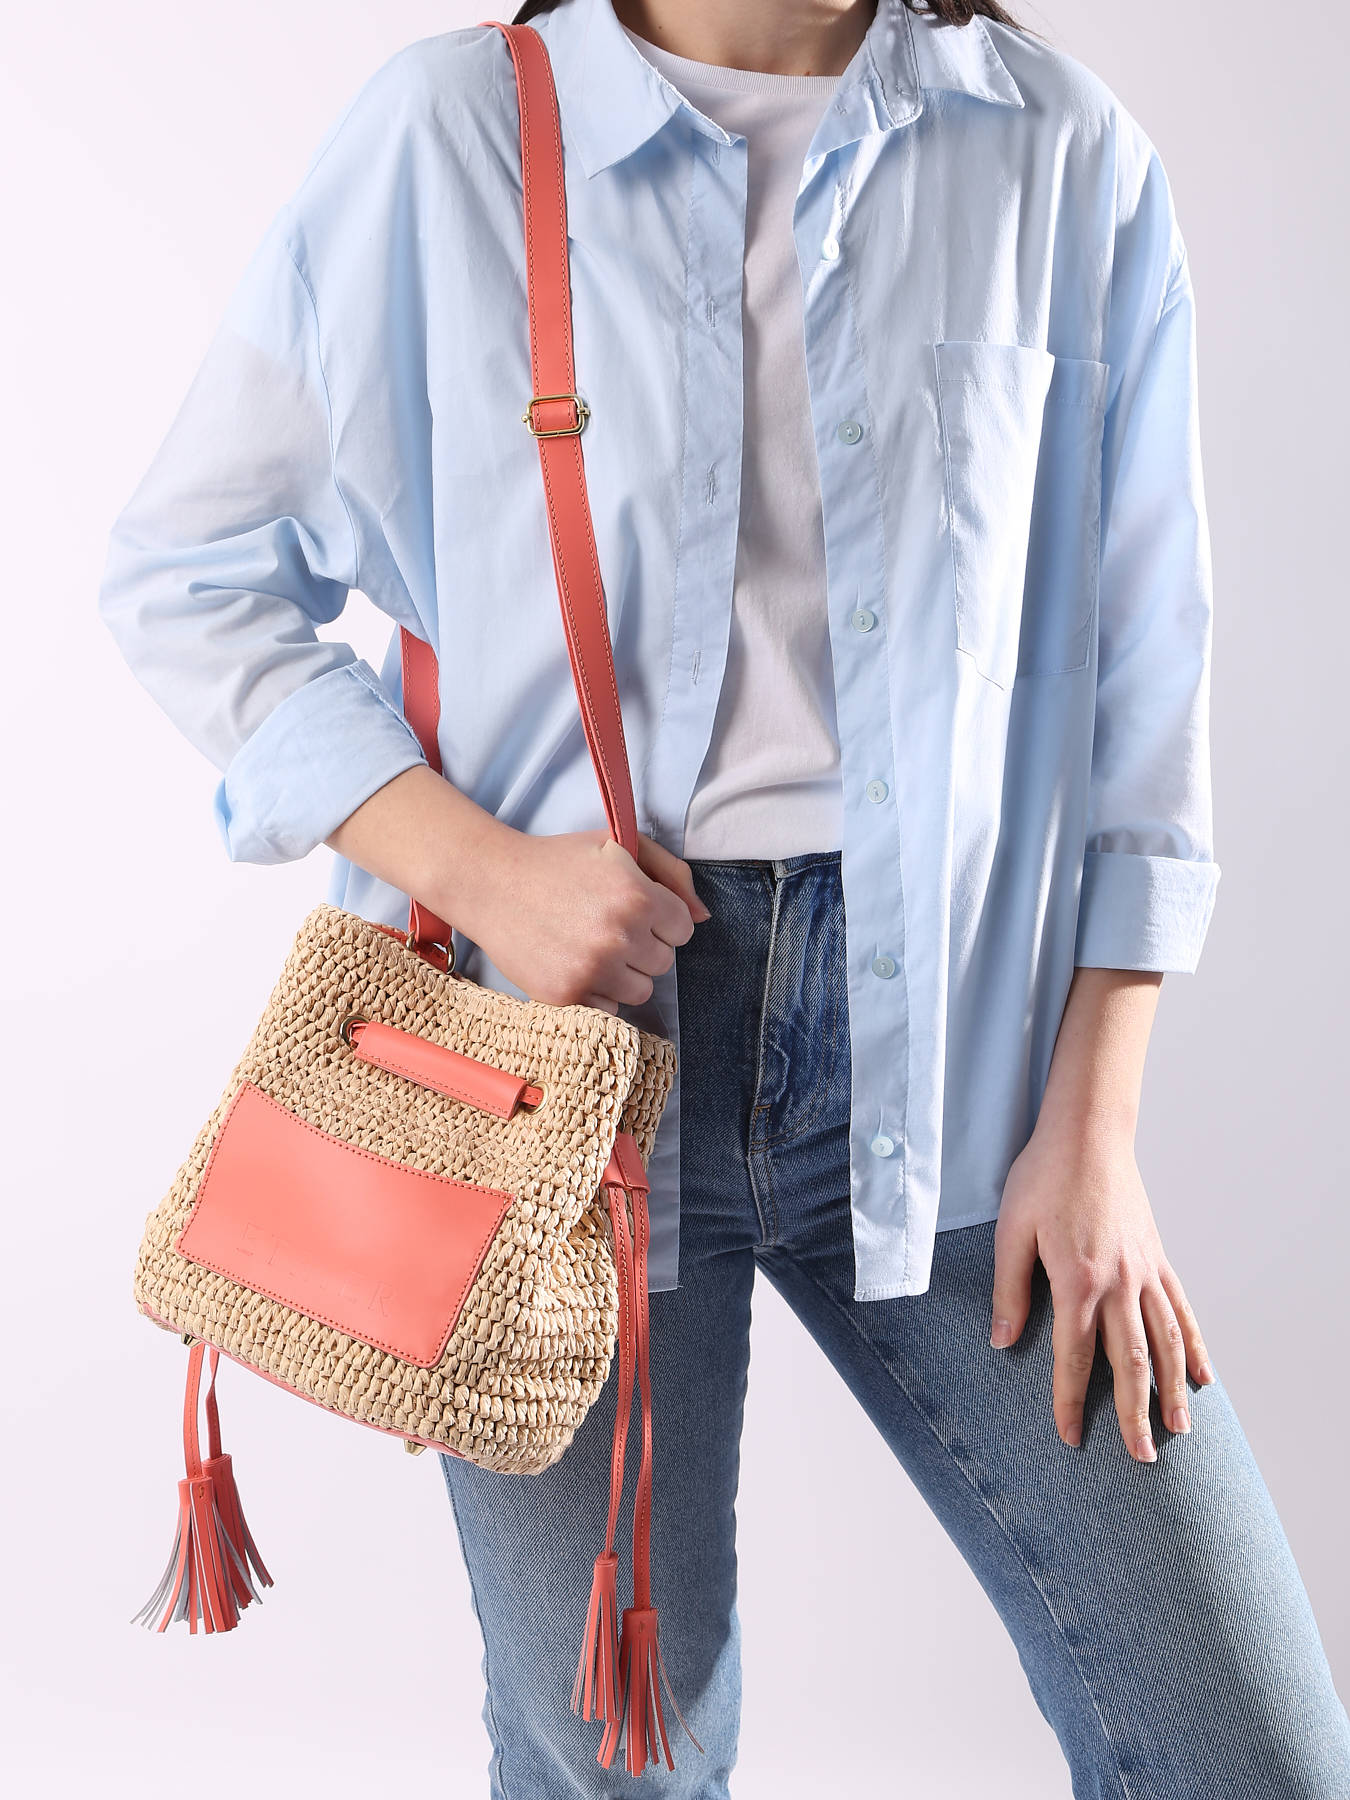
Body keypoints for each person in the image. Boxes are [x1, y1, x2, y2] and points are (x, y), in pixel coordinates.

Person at [98, 0, 1350, 1792]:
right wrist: (486, 876)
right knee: (616, 1762)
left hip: (963, 1077)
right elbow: (191, 567)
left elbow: (1142, 688)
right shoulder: (457, 132)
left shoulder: (1056, 151)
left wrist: (1096, 1127)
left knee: (1247, 1748)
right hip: (545, 1075)